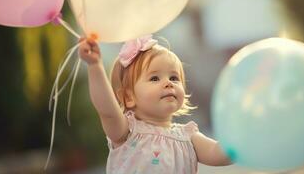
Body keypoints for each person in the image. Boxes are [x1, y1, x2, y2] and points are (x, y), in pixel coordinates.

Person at [78, 34, 232, 174]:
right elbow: (107, 110)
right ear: (128, 97)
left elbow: (218, 154)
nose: (168, 83)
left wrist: (242, 136)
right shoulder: (127, 132)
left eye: (174, 78)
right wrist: (95, 66)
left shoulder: (188, 136)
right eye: (154, 78)